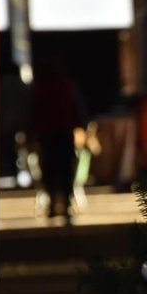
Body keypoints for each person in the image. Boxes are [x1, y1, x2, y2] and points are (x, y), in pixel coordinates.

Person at [29, 62, 84, 219]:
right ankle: (65, 203)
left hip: (47, 133)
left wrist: (32, 130)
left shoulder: (41, 87)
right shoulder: (66, 85)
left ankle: (53, 203)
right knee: (65, 168)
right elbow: (76, 107)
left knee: (49, 168)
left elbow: (34, 110)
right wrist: (80, 124)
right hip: (64, 131)